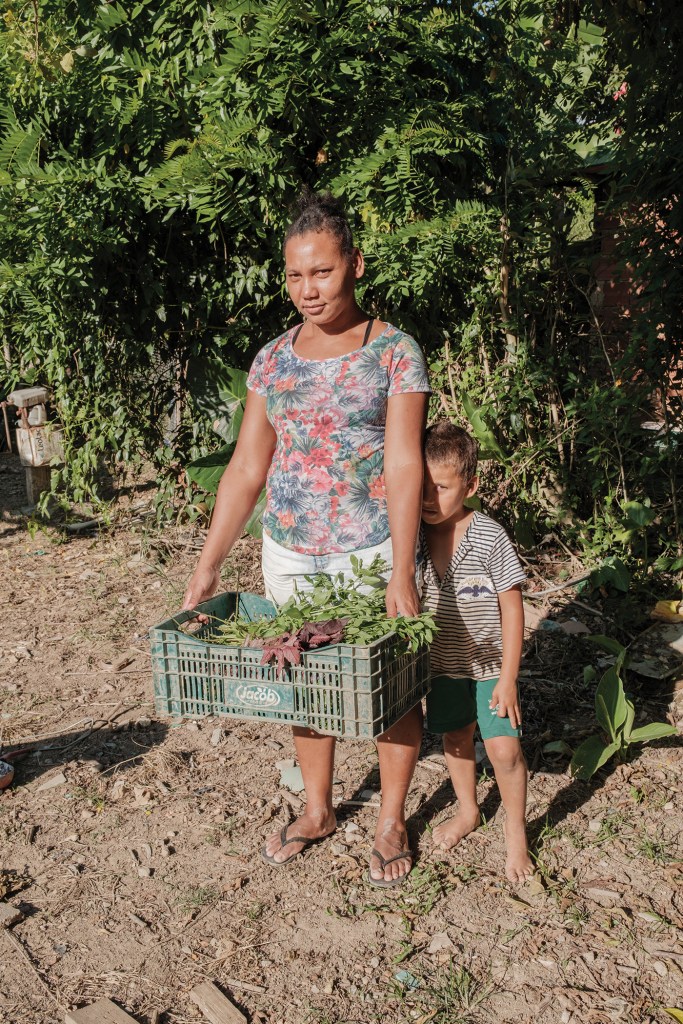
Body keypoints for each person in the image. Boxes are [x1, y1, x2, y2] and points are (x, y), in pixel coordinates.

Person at [182, 189, 431, 887]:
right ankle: (317, 808)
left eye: (320, 272)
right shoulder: (272, 360)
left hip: (369, 547)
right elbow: (245, 468)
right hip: (289, 549)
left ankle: (389, 819)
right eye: (294, 275)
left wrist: (402, 571)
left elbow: (405, 461)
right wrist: (208, 567)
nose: (307, 289)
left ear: (353, 264)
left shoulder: (393, 352)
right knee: (302, 680)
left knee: (391, 684)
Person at [419, 420, 534, 883]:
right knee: (456, 738)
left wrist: (509, 678)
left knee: (504, 751)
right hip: (442, 666)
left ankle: (516, 829)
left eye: (442, 488)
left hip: (489, 665)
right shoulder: (414, 538)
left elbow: (513, 609)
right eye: (423, 487)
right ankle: (468, 810)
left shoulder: (490, 537)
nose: (430, 498)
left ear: (470, 484)